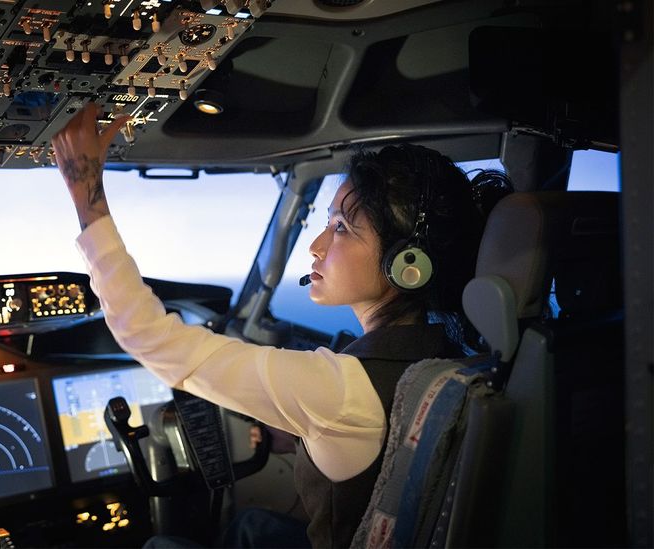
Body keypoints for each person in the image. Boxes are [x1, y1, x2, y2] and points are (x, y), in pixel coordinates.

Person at [51, 104, 510, 548]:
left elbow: (148, 336)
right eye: (326, 222)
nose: (315, 245)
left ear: (407, 264)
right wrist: (302, 438)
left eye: (343, 229)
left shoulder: (340, 391)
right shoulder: (446, 360)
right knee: (251, 526)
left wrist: (86, 194)